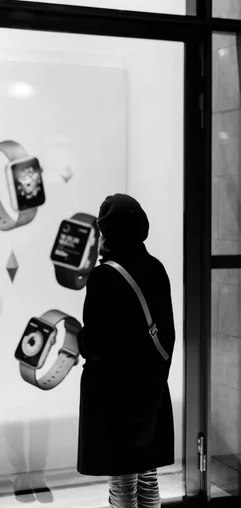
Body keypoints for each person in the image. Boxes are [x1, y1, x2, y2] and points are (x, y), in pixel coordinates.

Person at [77, 193, 176, 508]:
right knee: (148, 476)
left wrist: (76, 339)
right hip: (151, 391)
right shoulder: (156, 269)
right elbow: (168, 335)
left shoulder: (104, 276)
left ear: (107, 232)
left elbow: (95, 344)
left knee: (122, 483)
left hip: (115, 399)